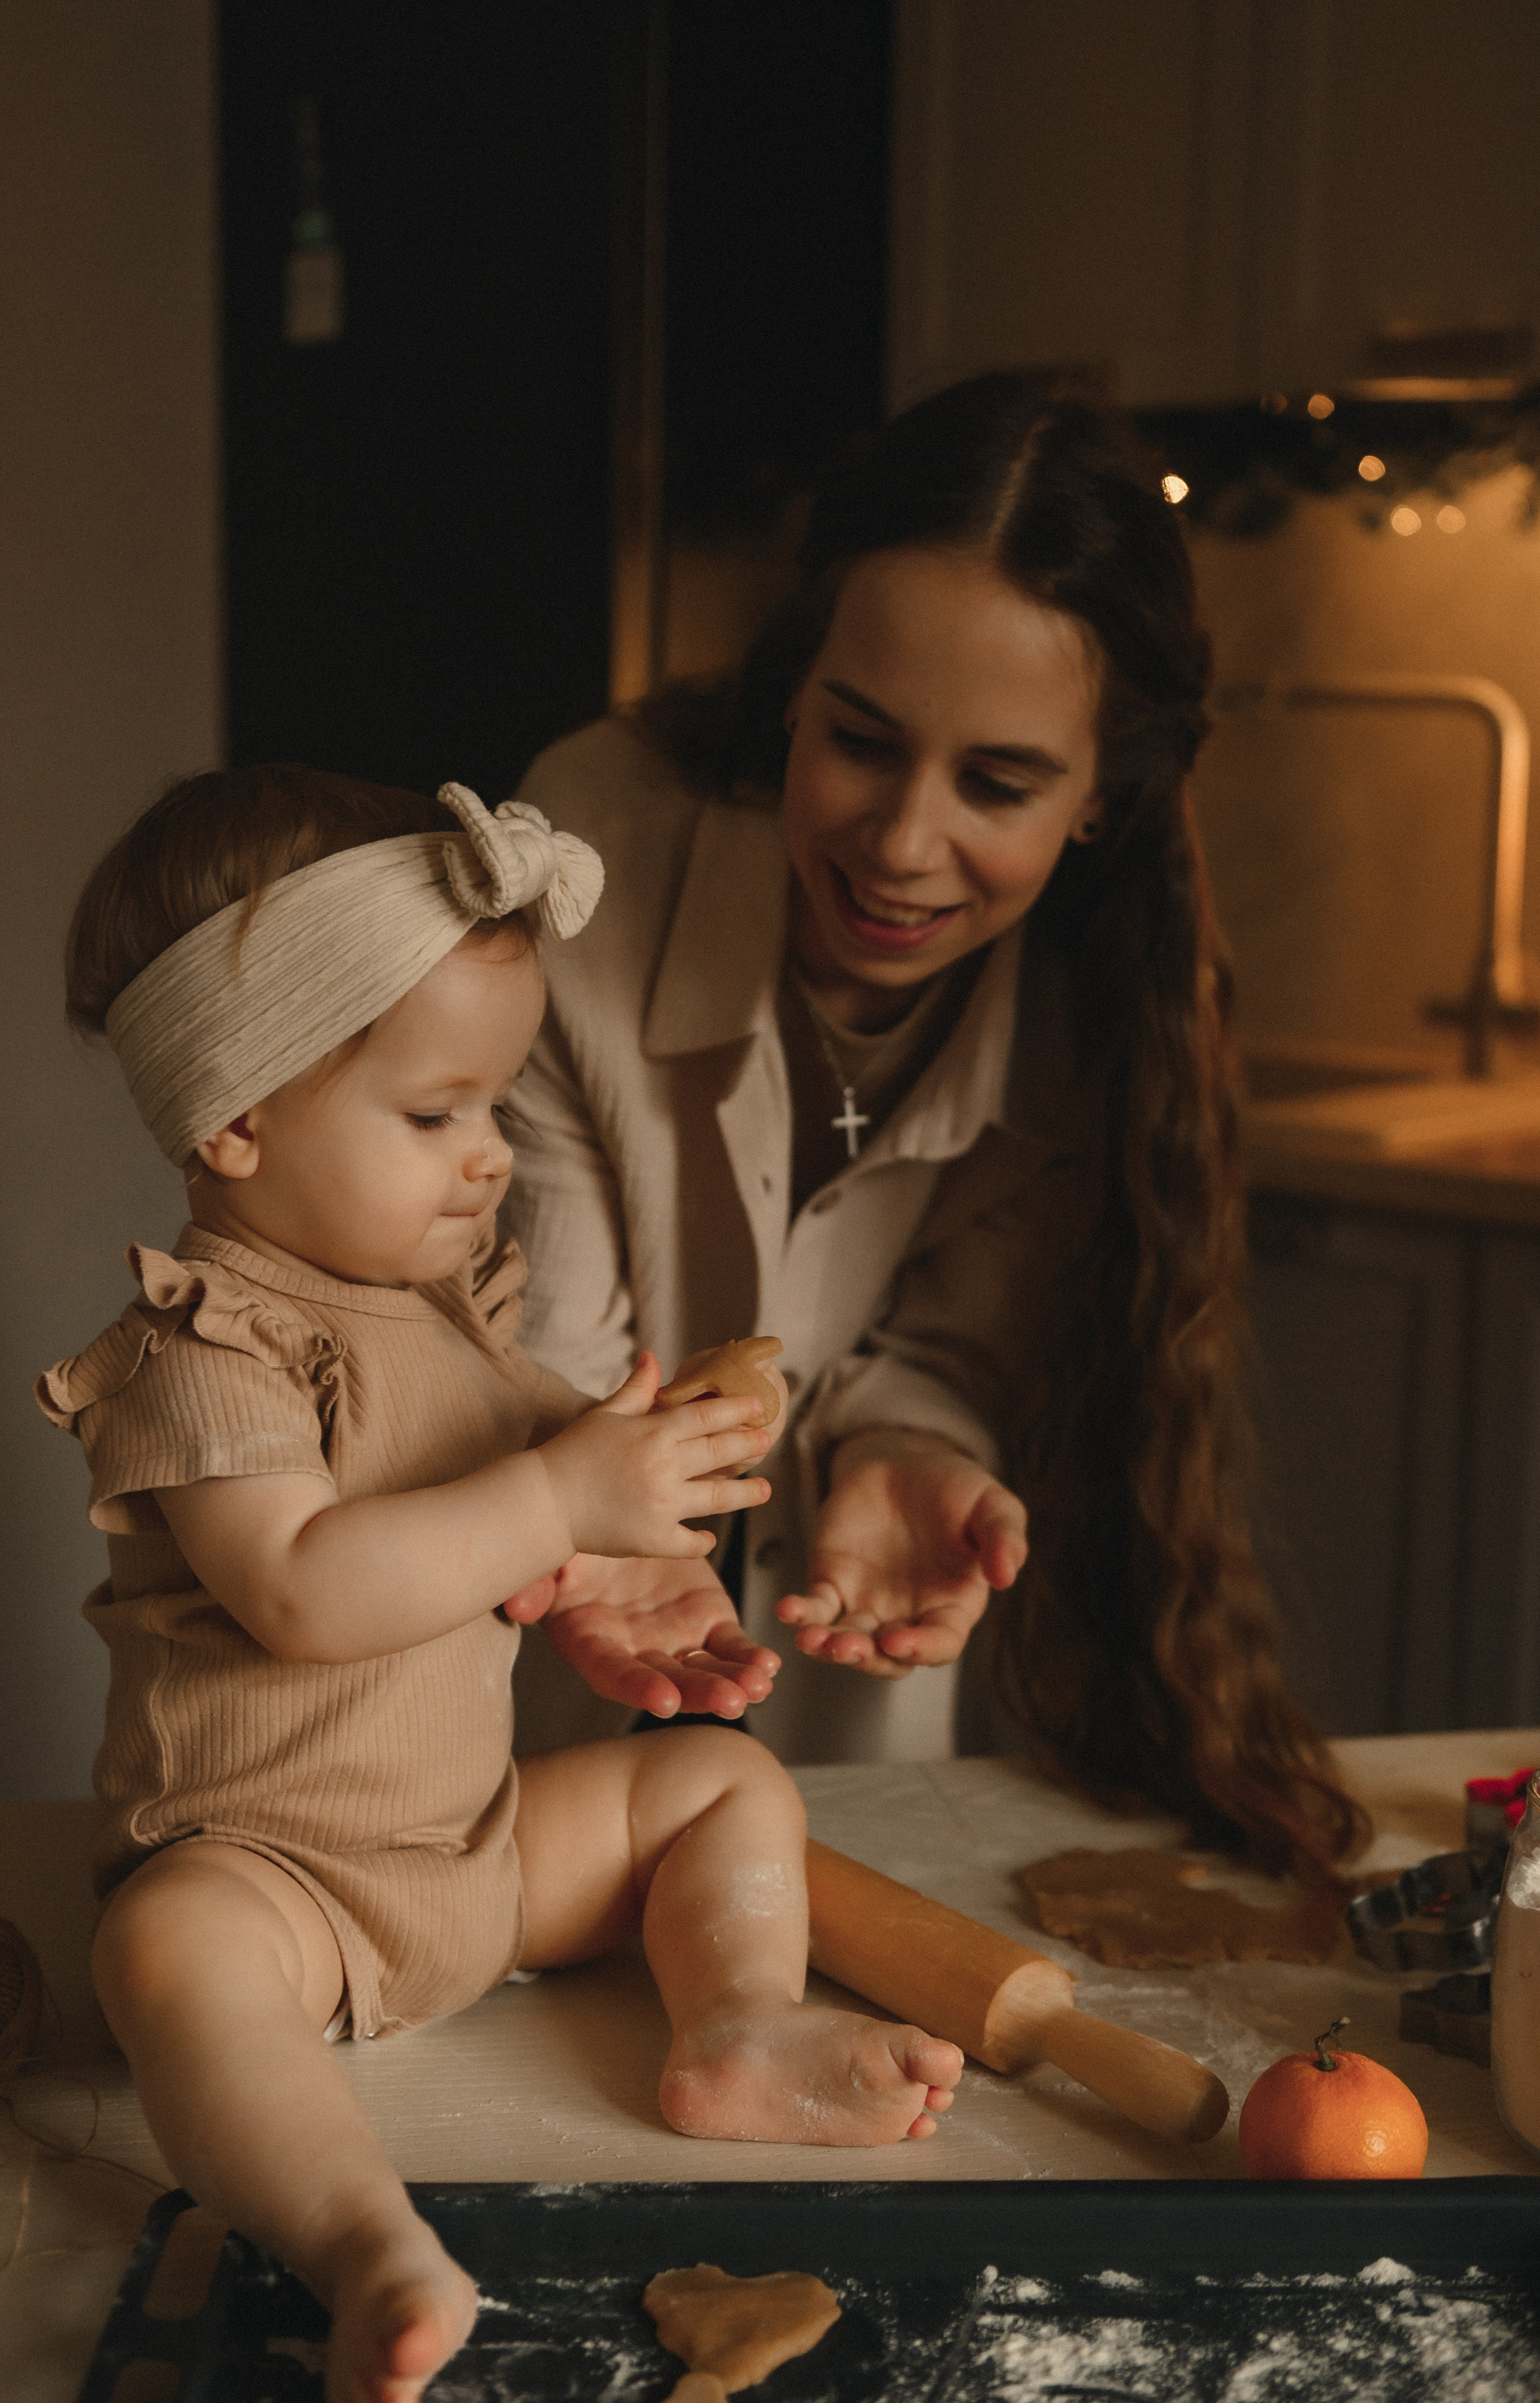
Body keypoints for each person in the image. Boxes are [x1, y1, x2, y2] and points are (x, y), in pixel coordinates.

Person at [37, 769, 963, 2403]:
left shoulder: (452, 1311)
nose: (485, 1164)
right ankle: (358, 2240)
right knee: (161, 1953)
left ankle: (733, 2023)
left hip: (475, 1851)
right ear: (235, 1121)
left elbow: (529, 1519)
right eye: (433, 1115)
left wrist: (625, 1569)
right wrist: (551, 1503)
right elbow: (306, 1586)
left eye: (494, 1108)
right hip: (277, 1876)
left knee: (718, 1779)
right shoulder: (204, 1350)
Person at [502, 370, 1368, 1878]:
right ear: (794, 681)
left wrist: (909, 1443)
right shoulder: (589, 857)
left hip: (852, 1747)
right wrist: (587, 1513)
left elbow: (943, 1343)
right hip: (524, 1710)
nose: (902, 845)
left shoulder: (1093, 1006)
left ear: (1099, 797)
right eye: (859, 741)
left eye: (998, 781)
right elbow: (543, 1351)